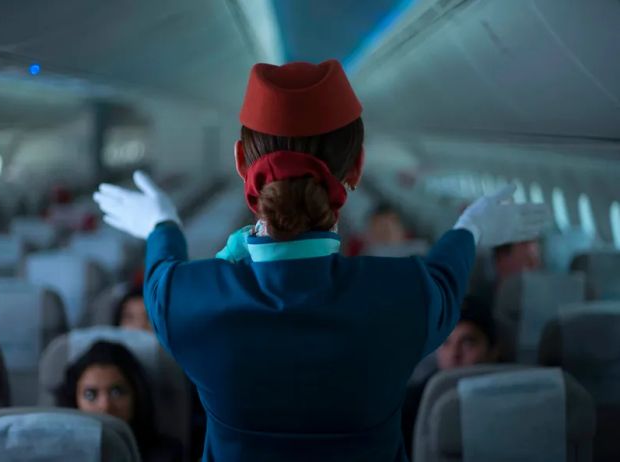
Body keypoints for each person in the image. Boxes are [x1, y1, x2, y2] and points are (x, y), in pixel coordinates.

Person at [93, 59, 548, 461]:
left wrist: (163, 226)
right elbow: (447, 278)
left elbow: (160, 275)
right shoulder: (405, 293)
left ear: (240, 163)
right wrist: (471, 228)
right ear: (357, 167)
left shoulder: (183, 300)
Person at [400, 296, 499, 457]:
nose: (454, 354)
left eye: (467, 343)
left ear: (493, 351)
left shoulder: (512, 399)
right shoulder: (410, 404)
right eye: (446, 342)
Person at [57, 341, 181, 462]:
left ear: (136, 395)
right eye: (90, 395)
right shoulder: (56, 454)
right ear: (74, 400)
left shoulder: (167, 456)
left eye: (116, 392)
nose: (105, 406)